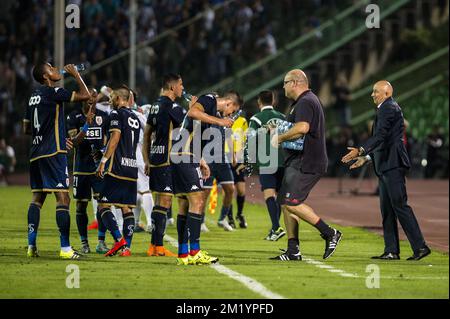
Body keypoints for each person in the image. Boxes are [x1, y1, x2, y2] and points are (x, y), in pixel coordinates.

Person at [342, 80, 431, 261]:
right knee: (387, 210)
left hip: (392, 164)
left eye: (376, 91)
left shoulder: (388, 108)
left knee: (399, 205)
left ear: (387, 93)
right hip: (385, 164)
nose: (372, 94)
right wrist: (366, 158)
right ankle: (391, 250)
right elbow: (383, 140)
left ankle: (420, 247)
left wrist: (361, 150)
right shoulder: (385, 108)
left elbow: (380, 136)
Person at [270, 69, 342, 261]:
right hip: (298, 160)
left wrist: (279, 138)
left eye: (285, 82)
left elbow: (302, 128)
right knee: (285, 203)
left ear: (295, 83)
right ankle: (293, 251)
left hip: (307, 160)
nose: (283, 87)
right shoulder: (302, 102)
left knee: (290, 202)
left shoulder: (305, 101)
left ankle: (329, 233)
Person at [23, 62, 90, 259]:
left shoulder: (32, 97)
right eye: (51, 68)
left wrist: (53, 134)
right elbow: (85, 96)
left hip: (36, 153)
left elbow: (26, 128)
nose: (56, 70)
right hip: (53, 153)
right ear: (45, 76)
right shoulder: (54, 92)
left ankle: (31, 246)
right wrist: (76, 74)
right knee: (63, 198)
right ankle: (65, 249)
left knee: (38, 198)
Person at [171, 92, 234, 265]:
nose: (228, 118)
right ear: (228, 103)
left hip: (184, 155)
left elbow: (193, 133)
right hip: (183, 156)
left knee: (185, 204)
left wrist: (201, 160)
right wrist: (221, 121)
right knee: (198, 201)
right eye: (230, 114)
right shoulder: (210, 98)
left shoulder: (207, 114)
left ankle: (184, 254)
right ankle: (195, 251)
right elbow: (193, 112)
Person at [142, 74, 186, 257]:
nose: (182, 88)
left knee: (161, 201)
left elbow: (146, 135)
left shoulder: (154, 106)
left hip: (156, 158)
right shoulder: (173, 107)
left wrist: (146, 159)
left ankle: (154, 245)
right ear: (172, 87)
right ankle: (158, 246)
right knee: (166, 200)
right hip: (168, 159)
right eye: (181, 85)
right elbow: (190, 124)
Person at [96, 86, 141, 257]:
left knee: (103, 205)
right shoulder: (135, 117)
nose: (111, 100)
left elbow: (115, 138)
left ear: (120, 99)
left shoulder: (116, 114)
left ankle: (118, 240)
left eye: (113, 97)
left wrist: (103, 161)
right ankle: (126, 248)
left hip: (117, 168)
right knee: (126, 207)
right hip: (132, 167)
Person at [67, 88, 110, 254]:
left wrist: (103, 149)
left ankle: (101, 241)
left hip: (98, 168)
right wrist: (87, 124)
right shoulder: (73, 117)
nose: (91, 101)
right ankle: (84, 243)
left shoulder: (103, 117)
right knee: (81, 205)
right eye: (88, 98)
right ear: (83, 99)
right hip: (81, 168)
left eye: (94, 97)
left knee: (103, 204)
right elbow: (75, 142)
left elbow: (108, 139)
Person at [247, 90, 286, 241]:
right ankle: (274, 230)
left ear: (259, 102)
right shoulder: (283, 117)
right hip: (283, 160)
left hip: (267, 161)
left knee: (269, 195)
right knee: (280, 197)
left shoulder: (256, 119)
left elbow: (250, 139)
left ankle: (276, 228)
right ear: (274, 101)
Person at [130, 96, 154, 234]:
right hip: (139, 151)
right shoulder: (139, 115)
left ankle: (134, 221)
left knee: (138, 190)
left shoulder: (119, 113)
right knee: (145, 189)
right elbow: (149, 134)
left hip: (126, 154)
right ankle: (151, 223)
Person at [227, 91, 248, 229]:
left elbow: (245, 141)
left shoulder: (242, 121)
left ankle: (240, 214)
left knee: (241, 190)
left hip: (238, 159)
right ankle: (229, 218)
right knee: (229, 189)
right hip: (226, 157)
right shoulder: (222, 118)